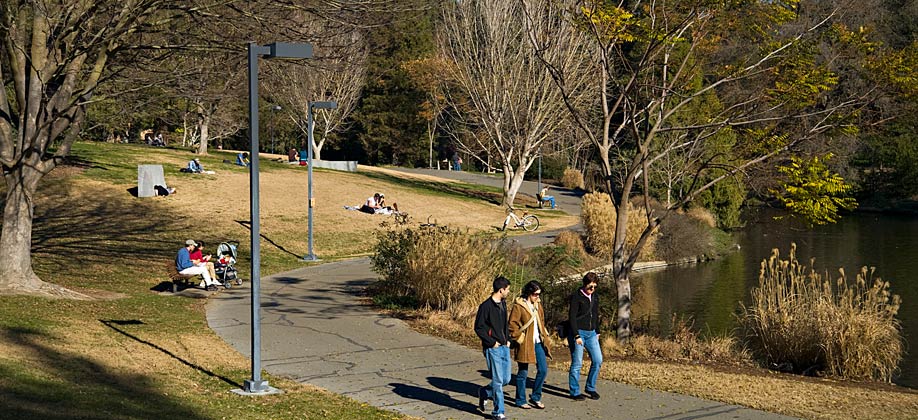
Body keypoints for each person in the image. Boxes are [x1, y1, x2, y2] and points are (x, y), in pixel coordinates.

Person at [509, 280, 552, 410]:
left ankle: (536, 397)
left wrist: (545, 335)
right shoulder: (519, 305)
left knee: (543, 370)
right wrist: (519, 338)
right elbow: (512, 324)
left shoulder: (538, 304)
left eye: (539, 294)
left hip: (538, 341)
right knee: (523, 372)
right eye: (535, 294)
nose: (537, 296)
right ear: (529, 293)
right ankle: (520, 399)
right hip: (525, 342)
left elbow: (542, 320)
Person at [475, 276, 512, 420]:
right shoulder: (486, 306)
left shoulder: (503, 303)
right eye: (507, 289)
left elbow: (505, 324)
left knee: (506, 379)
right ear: (501, 289)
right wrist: (491, 342)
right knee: (497, 380)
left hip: (504, 346)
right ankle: (499, 412)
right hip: (493, 348)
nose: (508, 291)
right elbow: (478, 328)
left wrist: (508, 340)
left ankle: (485, 392)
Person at [568, 272, 602, 401]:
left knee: (598, 360)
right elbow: (572, 317)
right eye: (590, 287)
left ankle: (590, 387)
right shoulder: (577, 297)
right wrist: (576, 335)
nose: (592, 290)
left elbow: (595, 314)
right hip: (579, 333)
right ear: (584, 285)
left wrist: (597, 331)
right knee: (577, 363)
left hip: (591, 333)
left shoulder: (595, 296)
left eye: (594, 287)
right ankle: (575, 391)